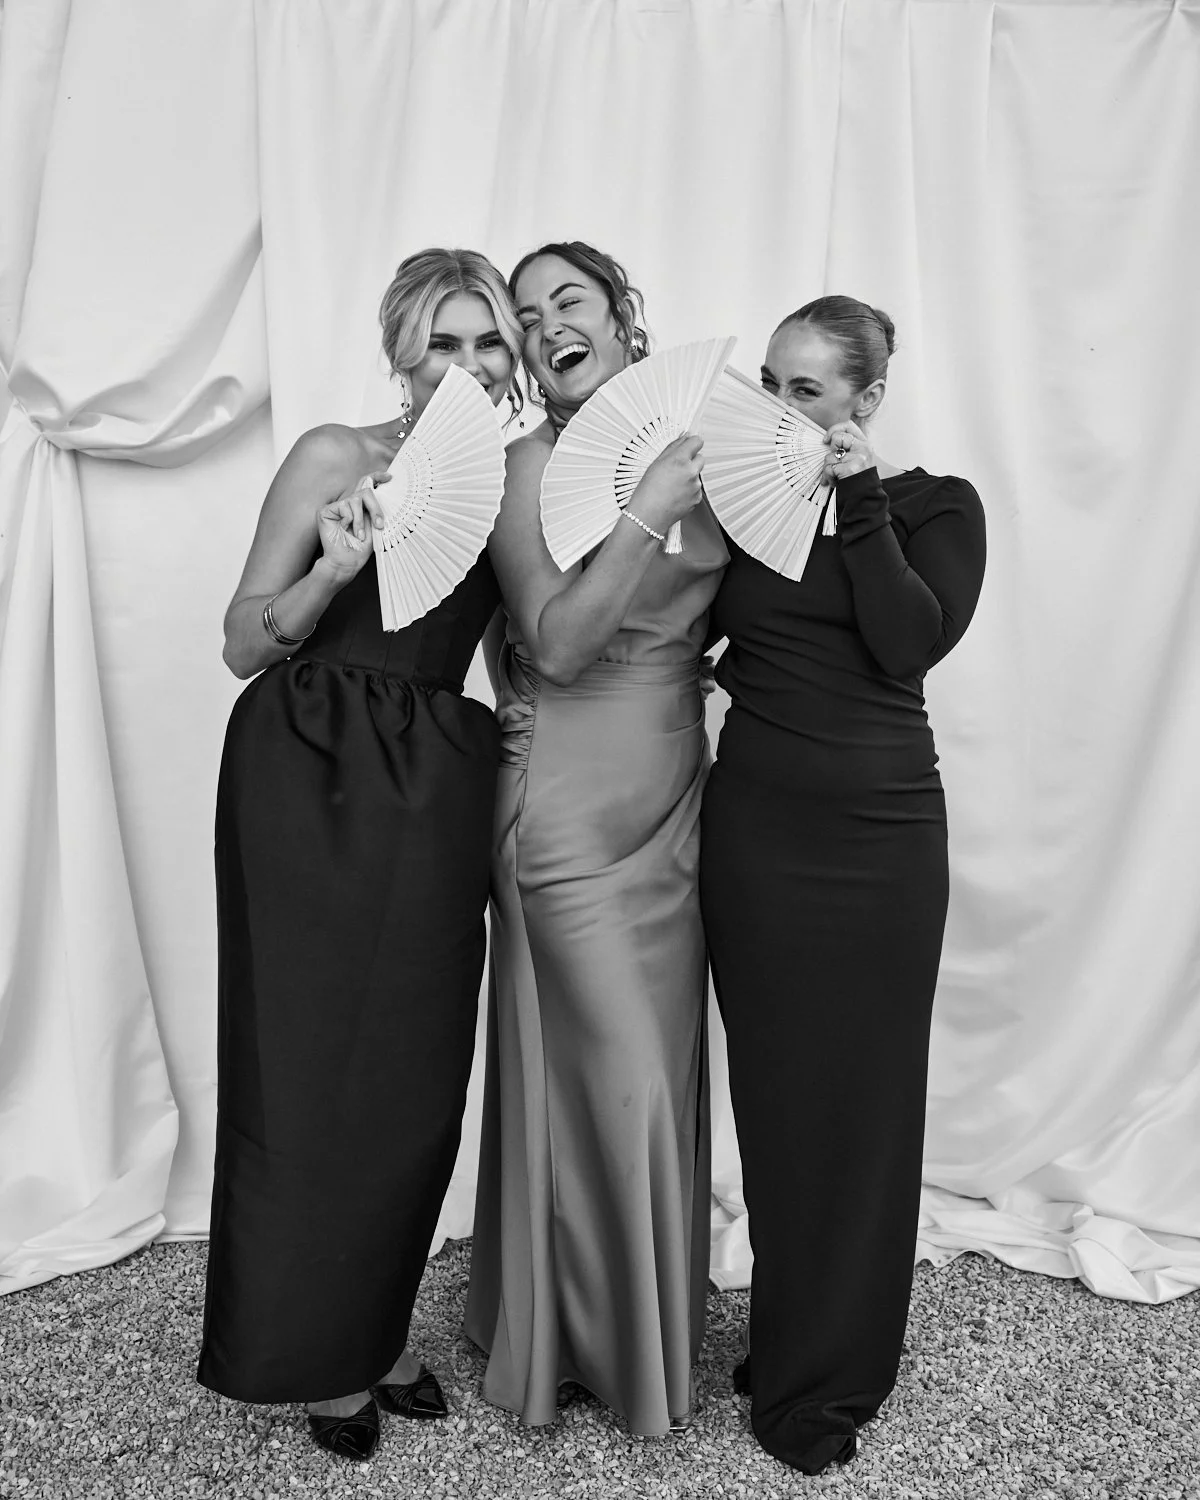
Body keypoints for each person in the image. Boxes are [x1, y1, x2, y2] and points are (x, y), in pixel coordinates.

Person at [197, 248, 524, 1461]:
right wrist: (332, 568)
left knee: (414, 1067)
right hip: (308, 761)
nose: (470, 364)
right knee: (304, 1062)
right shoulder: (338, 453)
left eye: (489, 342)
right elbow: (241, 642)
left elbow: (519, 647)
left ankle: (374, 1323)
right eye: (444, 341)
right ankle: (316, 1357)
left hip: (437, 773)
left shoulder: (509, 481)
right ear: (401, 352)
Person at [700, 296, 986, 1475]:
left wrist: (857, 498)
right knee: (776, 1108)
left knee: (861, 1111)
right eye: (772, 383)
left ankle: (832, 1380)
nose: (785, 408)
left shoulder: (934, 506)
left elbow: (908, 640)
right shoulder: (744, 506)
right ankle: (795, 1326)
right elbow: (694, 639)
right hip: (756, 835)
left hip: (878, 842)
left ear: (865, 402)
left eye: (809, 389)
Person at [464, 242, 725, 1436]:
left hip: (676, 797)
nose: (544, 325)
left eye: (567, 300)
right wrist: (639, 517)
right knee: (599, 1074)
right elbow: (556, 645)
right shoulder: (521, 468)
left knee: (656, 1076)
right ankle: (571, 1341)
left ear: (624, 319)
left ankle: (636, 1333)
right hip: (562, 800)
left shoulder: (710, 453)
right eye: (525, 318)